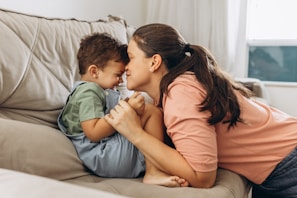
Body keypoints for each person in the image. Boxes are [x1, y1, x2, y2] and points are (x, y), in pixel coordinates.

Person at [104, 23, 297, 197]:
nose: (125, 67)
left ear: (154, 62)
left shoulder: (180, 94)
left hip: (289, 167)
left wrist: (134, 133)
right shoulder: (178, 87)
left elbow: (203, 178)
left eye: (130, 58)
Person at [57, 32, 165, 181]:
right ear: (94, 71)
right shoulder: (89, 91)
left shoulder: (93, 91)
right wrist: (129, 109)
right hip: (104, 155)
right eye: (117, 74)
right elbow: (93, 132)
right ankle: (154, 171)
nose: (120, 81)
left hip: (107, 155)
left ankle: (159, 165)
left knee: (150, 112)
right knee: (151, 111)